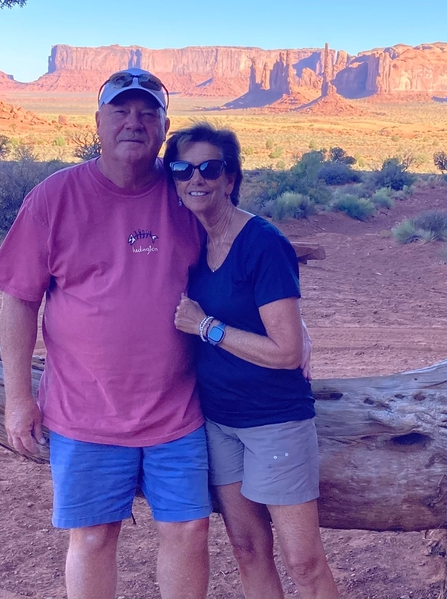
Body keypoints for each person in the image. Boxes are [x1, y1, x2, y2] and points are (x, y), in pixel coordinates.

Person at [0, 69, 211, 599]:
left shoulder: (189, 195)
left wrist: (295, 329)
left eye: (147, 112)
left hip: (177, 410)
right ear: (98, 122)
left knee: (188, 530)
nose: (134, 122)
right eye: (121, 111)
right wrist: (17, 399)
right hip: (83, 412)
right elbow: (18, 300)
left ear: (164, 126)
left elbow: (241, 265)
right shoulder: (54, 197)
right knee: (92, 536)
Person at [167, 123, 340, 599]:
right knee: (247, 549)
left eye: (209, 168)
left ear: (230, 178)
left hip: (274, 420)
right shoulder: (187, 241)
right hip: (218, 420)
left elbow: (286, 353)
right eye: (182, 169)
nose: (195, 179)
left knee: (304, 563)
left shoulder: (262, 242)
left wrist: (208, 327)